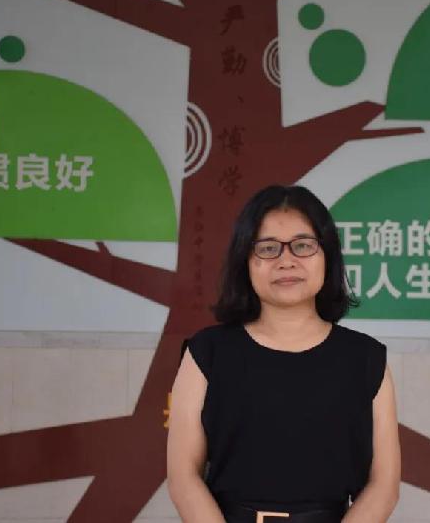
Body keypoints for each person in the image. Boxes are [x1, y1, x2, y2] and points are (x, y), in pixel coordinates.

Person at [166, 185, 400, 523]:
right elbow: (183, 477)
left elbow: (384, 487)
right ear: (245, 261)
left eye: (303, 246)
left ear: (328, 256)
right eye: (267, 248)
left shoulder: (365, 359)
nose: (286, 261)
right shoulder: (207, 353)